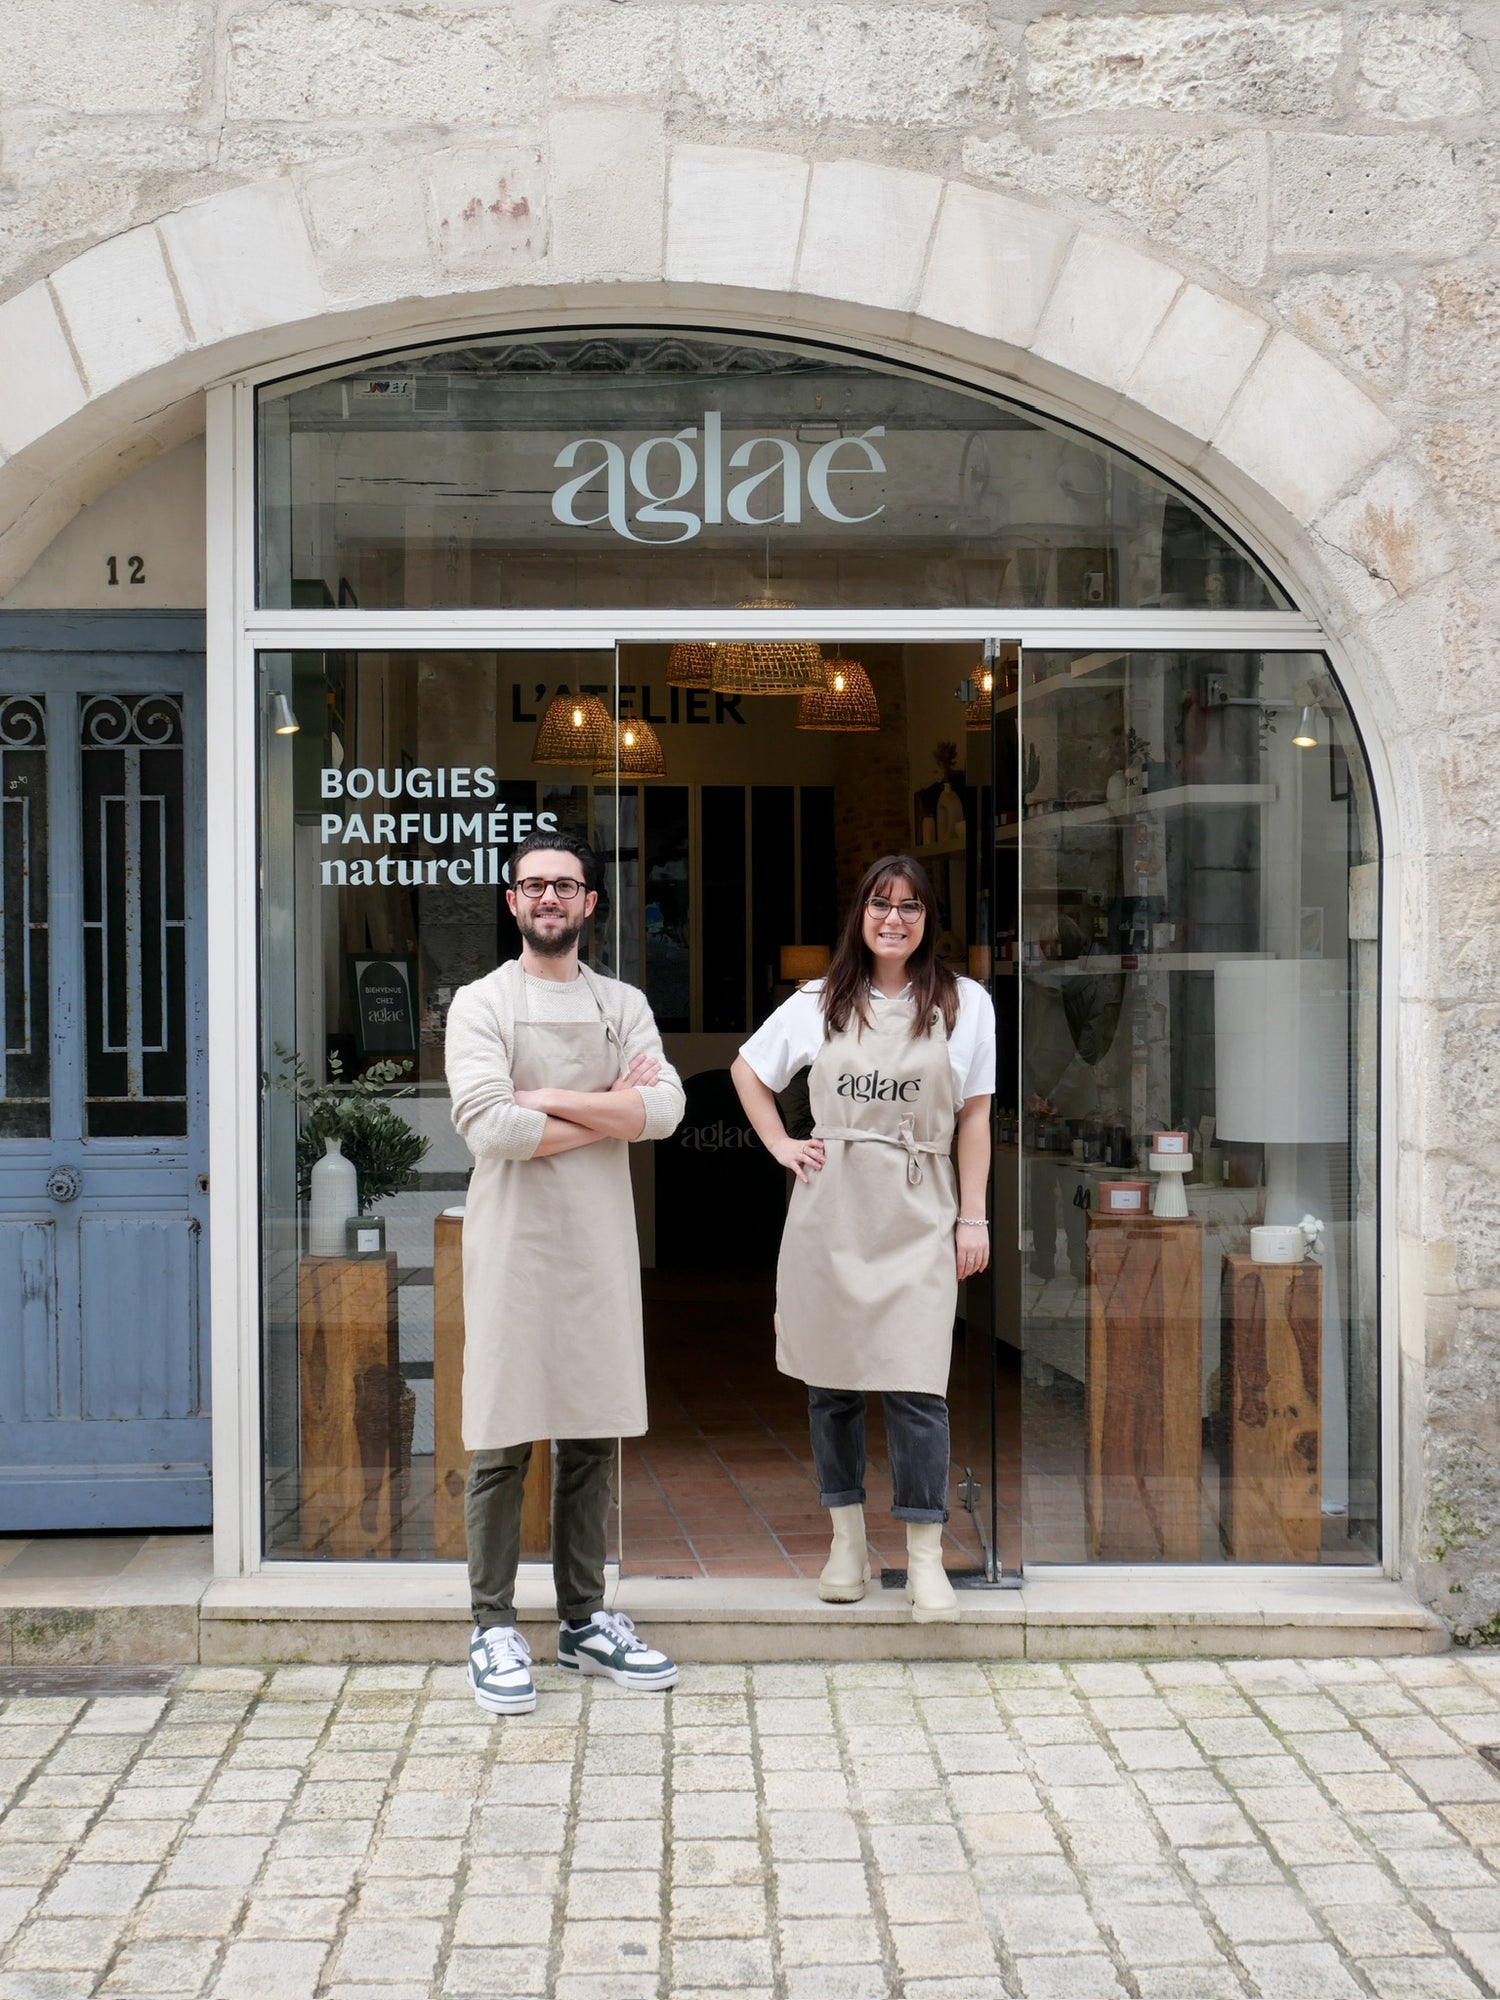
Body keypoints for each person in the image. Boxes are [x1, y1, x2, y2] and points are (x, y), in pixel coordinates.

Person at [445, 831, 685, 1714]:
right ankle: (492, 1627)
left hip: (596, 1242)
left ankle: (584, 1621)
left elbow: (665, 1108)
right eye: (533, 885)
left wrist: (546, 1098)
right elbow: (488, 1128)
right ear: (511, 903)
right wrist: (605, 1114)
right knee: (502, 1435)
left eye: (565, 885)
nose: (549, 897)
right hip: (512, 1240)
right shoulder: (482, 1004)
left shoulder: (622, 1002)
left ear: (591, 904)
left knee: (591, 1432)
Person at [731, 854, 995, 1623]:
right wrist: (783, 1144)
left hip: (920, 1211)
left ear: (927, 920)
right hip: (832, 1210)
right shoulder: (819, 1000)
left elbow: (973, 1115)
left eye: (910, 907)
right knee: (832, 1383)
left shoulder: (964, 1002)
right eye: (881, 904)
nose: (894, 919)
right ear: (861, 913)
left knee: (919, 1386)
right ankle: (845, 1542)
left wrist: (971, 1217)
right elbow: (749, 1072)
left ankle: (923, 1557)